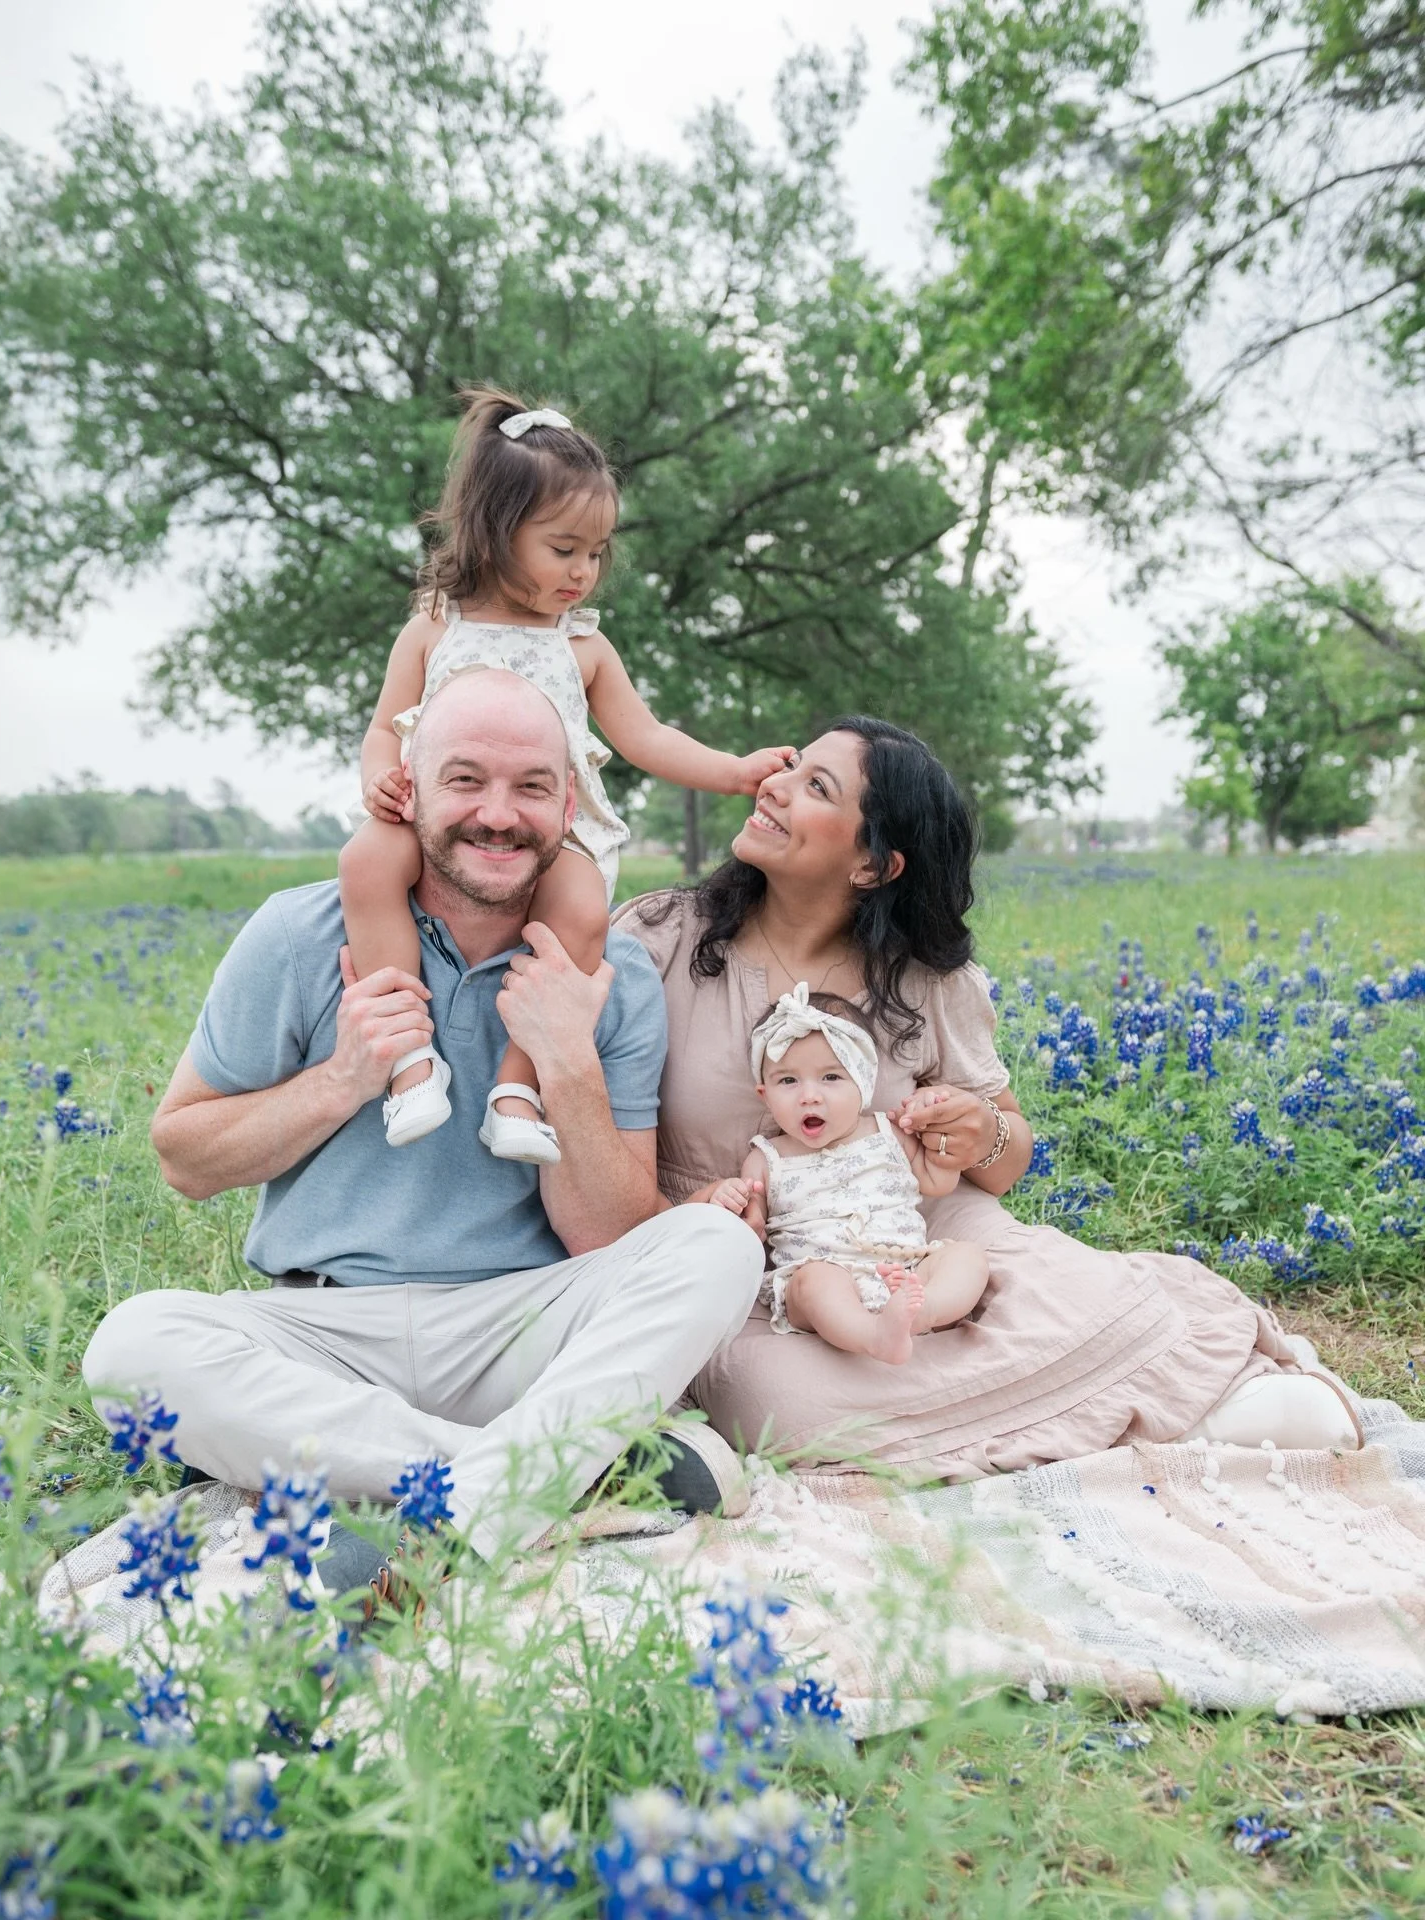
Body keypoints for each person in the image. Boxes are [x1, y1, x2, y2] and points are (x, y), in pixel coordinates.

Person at [81, 670, 765, 1563]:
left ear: (568, 804)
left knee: (714, 1246)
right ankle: (534, 1475)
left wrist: (565, 1060)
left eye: (531, 787)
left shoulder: (611, 977)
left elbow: (608, 1234)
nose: (499, 814)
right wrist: (343, 1078)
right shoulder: (298, 934)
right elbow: (185, 1158)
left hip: (518, 1329)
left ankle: (406, 1478)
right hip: (326, 1333)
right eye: (466, 779)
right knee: (130, 1352)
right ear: (410, 787)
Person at [615, 716, 1364, 1474]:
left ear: (873, 864)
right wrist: (687, 1217)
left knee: (1080, 1293)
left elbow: (1003, 1160)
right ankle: (1128, 1400)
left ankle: (1196, 1377)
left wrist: (981, 1132)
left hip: (918, 1227)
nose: (771, 783)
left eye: (815, 786)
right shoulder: (664, 939)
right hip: (756, 1265)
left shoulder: (927, 980)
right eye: (794, 766)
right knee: (776, 1402)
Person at [339, 385, 793, 1160]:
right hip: (436, 822)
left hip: (551, 836)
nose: (583, 571)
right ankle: (408, 1057)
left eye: (596, 553)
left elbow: (646, 736)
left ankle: (518, 1086)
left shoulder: (582, 646)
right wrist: (380, 776)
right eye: (563, 549)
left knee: (582, 907)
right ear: (496, 532)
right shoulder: (434, 629)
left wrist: (731, 771)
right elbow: (386, 725)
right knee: (364, 860)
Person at [707, 986, 989, 1364]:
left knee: (967, 1258)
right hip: (822, 1275)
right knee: (814, 1283)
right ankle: (874, 1335)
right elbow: (751, 1225)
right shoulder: (766, 1157)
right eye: (788, 1081)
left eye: (831, 1078)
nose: (809, 1096)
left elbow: (940, 1182)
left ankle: (925, 1310)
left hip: (903, 1265)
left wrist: (932, 1121)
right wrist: (732, 1198)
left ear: (864, 1081)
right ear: (765, 1094)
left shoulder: (891, 1132)